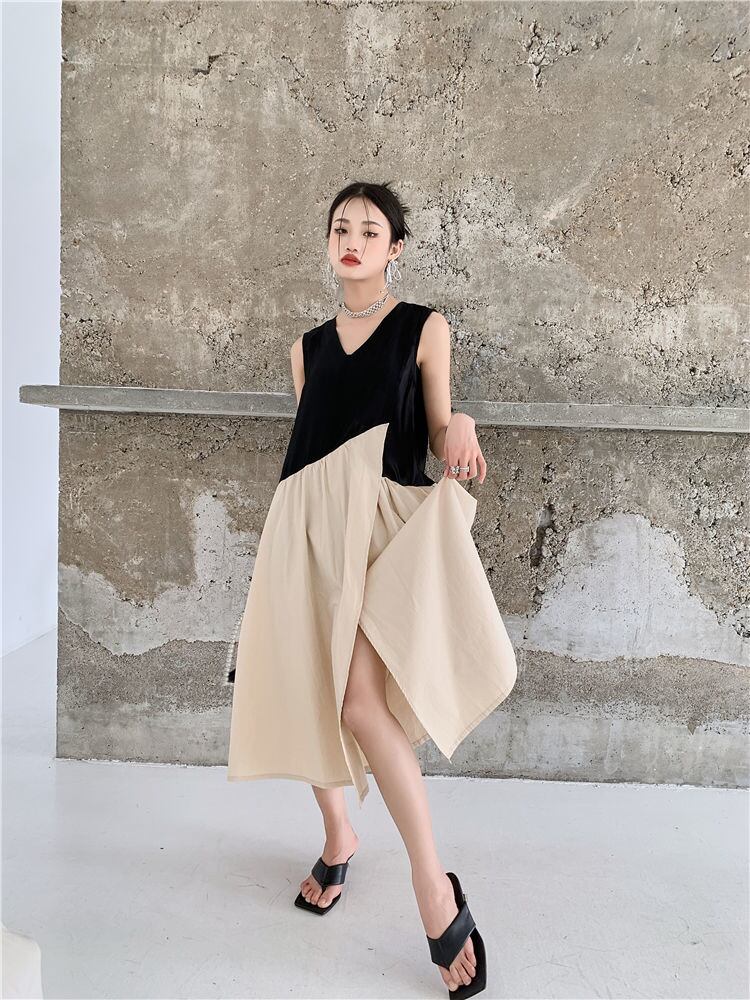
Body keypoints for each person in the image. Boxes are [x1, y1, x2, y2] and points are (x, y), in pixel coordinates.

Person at [227, 181, 517, 999]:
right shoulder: (306, 348)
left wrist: (462, 427)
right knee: (303, 687)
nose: (351, 240)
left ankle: (432, 886)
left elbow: (437, 429)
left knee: (359, 704)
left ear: (395, 247)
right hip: (304, 527)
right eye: (340, 228)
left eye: (369, 229)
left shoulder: (424, 327)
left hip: (382, 526)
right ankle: (339, 835)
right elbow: (314, 451)